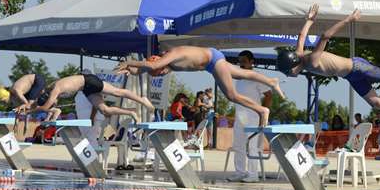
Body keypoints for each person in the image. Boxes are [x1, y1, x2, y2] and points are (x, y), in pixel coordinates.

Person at [277, 4, 380, 132]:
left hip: (358, 67)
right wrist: (309, 20)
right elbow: (301, 36)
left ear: (294, 64)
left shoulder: (312, 61)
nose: (291, 75)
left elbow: (325, 36)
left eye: (289, 72)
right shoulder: (298, 53)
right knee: (376, 102)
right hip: (351, 76)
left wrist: (348, 20)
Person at [114, 46, 286, 127]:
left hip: (212, 59)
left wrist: (127, 62)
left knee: (231, 95)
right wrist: (132, 70)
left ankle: (262, 110)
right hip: (212, 61)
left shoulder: (172, 55)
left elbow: (150, 66)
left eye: (159, 73)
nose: (160, 74)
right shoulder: (170, 65)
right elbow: (149, 68)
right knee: (242, 73)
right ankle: (271, 81)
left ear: (159, 63)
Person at [29, 73, 154, 123]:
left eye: (53, 102)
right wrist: (27, 106)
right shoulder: (48, 91)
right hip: (86, 89)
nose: (54, 103)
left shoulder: (55, 89)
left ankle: (142, 100)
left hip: (89, 80)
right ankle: (131, 112)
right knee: (105, 110)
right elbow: (38, 100)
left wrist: (31, 111)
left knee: (117, 92)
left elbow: (45, 107)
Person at [228, 50, 273, 183]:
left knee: (254, 147)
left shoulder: (257, 76)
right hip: (240, 116)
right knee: (238, 145)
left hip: (254, 117)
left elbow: (269, 95)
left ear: (251, 62)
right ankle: (240, 172)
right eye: (240, 61)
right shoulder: (239, 77)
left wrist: (263, 113)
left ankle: (253, 175)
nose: (241, 64)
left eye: (244, 61)